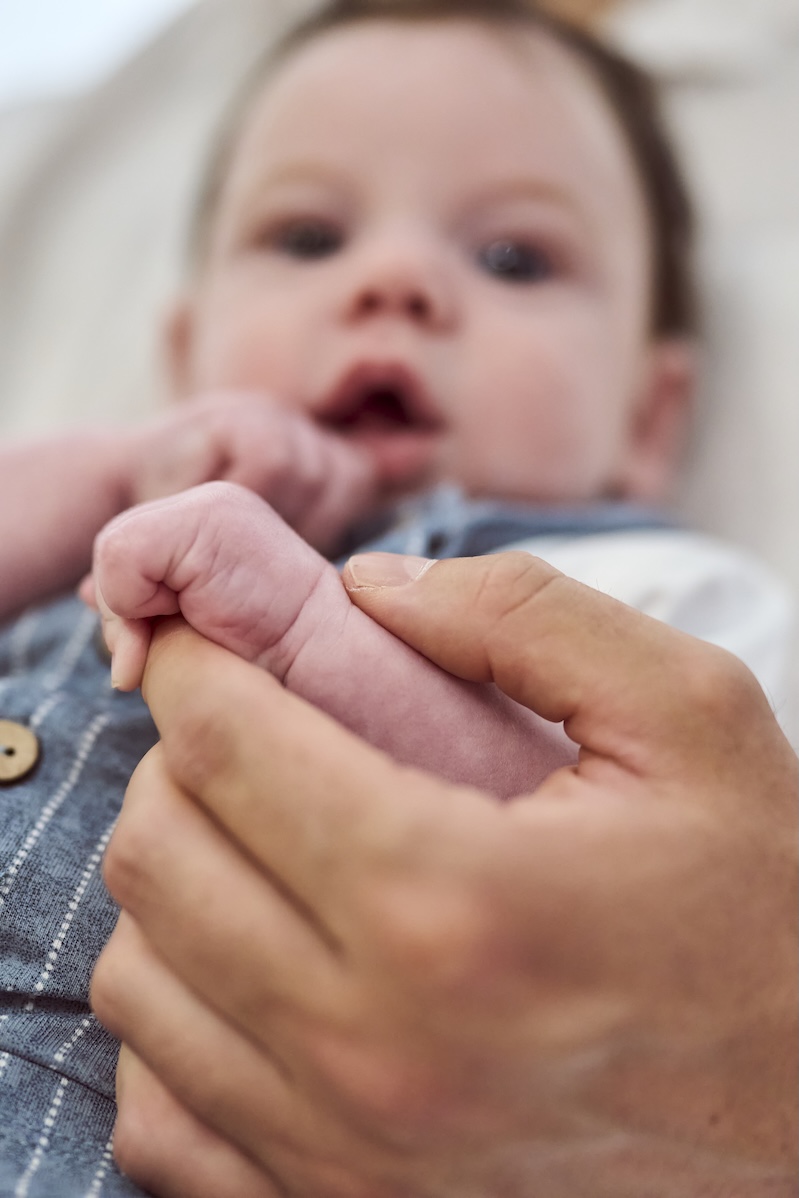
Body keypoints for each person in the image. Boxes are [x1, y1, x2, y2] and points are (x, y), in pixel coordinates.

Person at [0, 0, 793, 1192]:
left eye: (513, 259)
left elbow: (600, 893)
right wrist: (116, 473)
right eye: (308, 237)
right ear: (186, 347)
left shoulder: (665, 597)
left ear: (646, 415)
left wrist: (302, 628)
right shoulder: (100, 508)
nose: (396, 280)